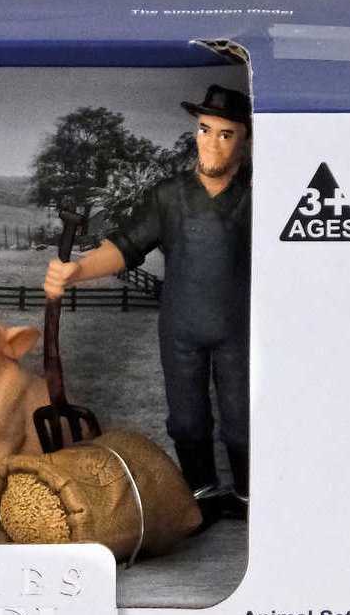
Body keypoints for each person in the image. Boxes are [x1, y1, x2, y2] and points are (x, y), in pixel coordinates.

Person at [44, 84, 251, 522]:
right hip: (181, 329)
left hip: (241, 330)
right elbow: (128, 246)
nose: (212, 143)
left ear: (245, 140)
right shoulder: (169, 196)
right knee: (187, 420)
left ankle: (251, 496)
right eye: (205, 129)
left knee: (242, 419)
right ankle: (201, 493)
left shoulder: (256, 199)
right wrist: (78, 270)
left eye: (226, 134)